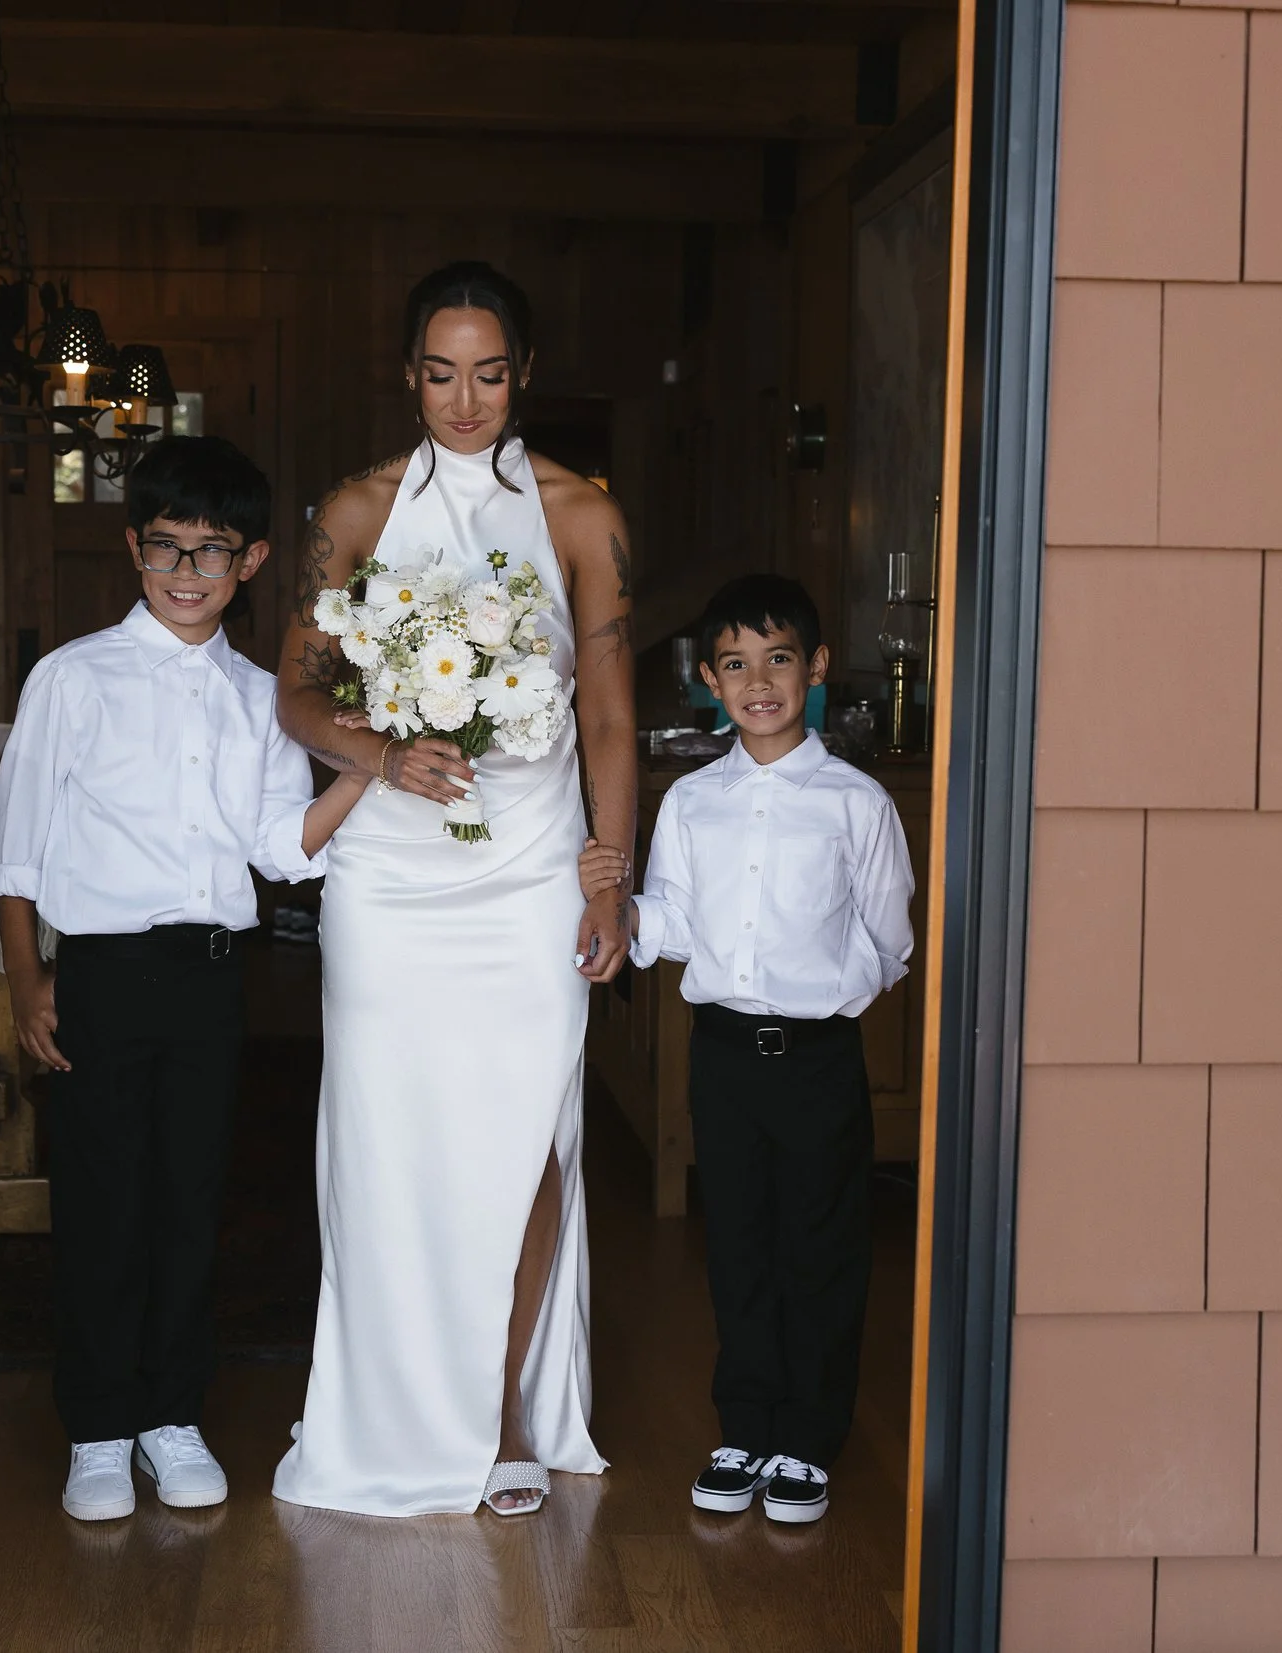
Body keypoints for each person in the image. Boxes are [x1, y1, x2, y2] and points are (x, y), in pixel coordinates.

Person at [268, 261, 637, 1518]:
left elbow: (609, 715)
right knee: (391, 1141)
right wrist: (381, 752)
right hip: (393, 875)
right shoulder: (356, 512)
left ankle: (504, 1412)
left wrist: (609, 880)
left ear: (521, 372)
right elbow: (298, 693)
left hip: (530, 865)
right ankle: (388, 1406)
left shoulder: (584, 515)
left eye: (487, 371)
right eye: (439, 372)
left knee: (524, 1129)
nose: (463, 399)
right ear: (408, 373)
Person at [0, 434, 369, 1523]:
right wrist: (26, 978)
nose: (188, 572)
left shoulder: (261, 697)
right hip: (100, 974)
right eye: (167, 548)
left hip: (207, 977)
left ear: (248, 563)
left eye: (212, 552)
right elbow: (18, 841)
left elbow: (281, 849)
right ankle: (100, 1427)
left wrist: (364, 769)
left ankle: (171, 1415)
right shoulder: (73, 678)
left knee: (191, 1197)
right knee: (104, 1197)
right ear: (132, 549)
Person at [579, 574, 914, 1525]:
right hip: (721, 1055)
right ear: (708, 681)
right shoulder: (691, 801)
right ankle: (746, 1424)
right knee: (737, 1241)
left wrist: (821, 995)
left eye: (777, 659)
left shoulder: (855, 803)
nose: (756, 681)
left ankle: (808, 1436)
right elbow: (672, 921)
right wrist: (619, 900)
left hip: (816, 1056)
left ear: (813, 669)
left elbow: (888, 936)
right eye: (735, 664)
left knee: (821, 1243)